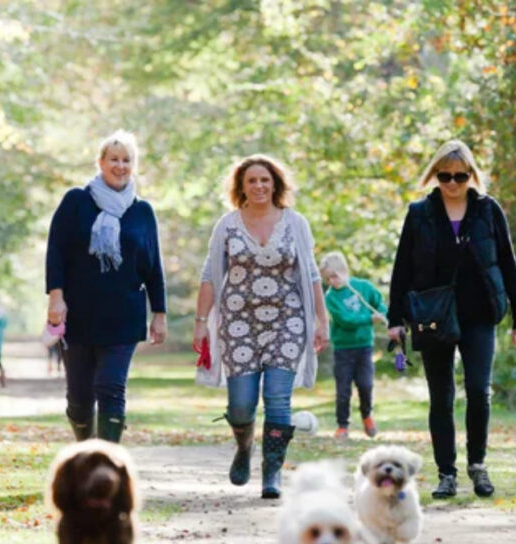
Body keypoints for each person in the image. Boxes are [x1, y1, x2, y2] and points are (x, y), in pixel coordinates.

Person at [387, 140, 516, 499]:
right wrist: (395, 319)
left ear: (472, 176)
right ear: (435, 175)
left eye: (460, 176)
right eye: (444, 176)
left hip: (480, 314)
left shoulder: (488, 210)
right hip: (433, 316)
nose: (451, 183)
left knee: (479, 392)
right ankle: (446, 472)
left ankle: (477, 466)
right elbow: (401, 268)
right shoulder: (419, 213)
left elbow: (509, 264)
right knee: (441, 397)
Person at [193, 154, 329, 499]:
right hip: (238, 322)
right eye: (251, 180)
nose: (259, 186)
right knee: (241, 404)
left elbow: (311, 273)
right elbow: (210, 275)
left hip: (288, 319)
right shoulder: (227, 225)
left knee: (278, 400)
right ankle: (244, 445)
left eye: (265, 180)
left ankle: (272, 474)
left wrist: (320, 320)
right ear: (241, 186)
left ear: (276, 185)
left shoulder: (295, 223)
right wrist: (200, 323)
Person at [45, 130, 167, 443]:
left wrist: (159, 312)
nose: (120, 165)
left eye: (127, 159)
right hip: (80, 314)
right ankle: (85, 452)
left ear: (133, 165)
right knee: (80, 398)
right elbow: (56, 250)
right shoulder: (76, 201)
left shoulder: (142, 211)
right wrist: (55, 297)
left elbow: (153, 266)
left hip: (124, 315)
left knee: (112, 388)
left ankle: (107, 462)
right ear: (101, 162)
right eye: (114, 159)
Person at [318, 252, 387, 440]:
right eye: (327, 278)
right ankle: (342, 425)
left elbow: (379, 305)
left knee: (365, 384)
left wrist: (383, 315)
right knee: (343, 389)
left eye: (334, 276)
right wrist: (369, 319)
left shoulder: (362, 287)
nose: (332, 281)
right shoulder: (331, 297)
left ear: (344, 270)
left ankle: (367, 416)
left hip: (364, 347)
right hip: (343, 349)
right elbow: (346, 320)